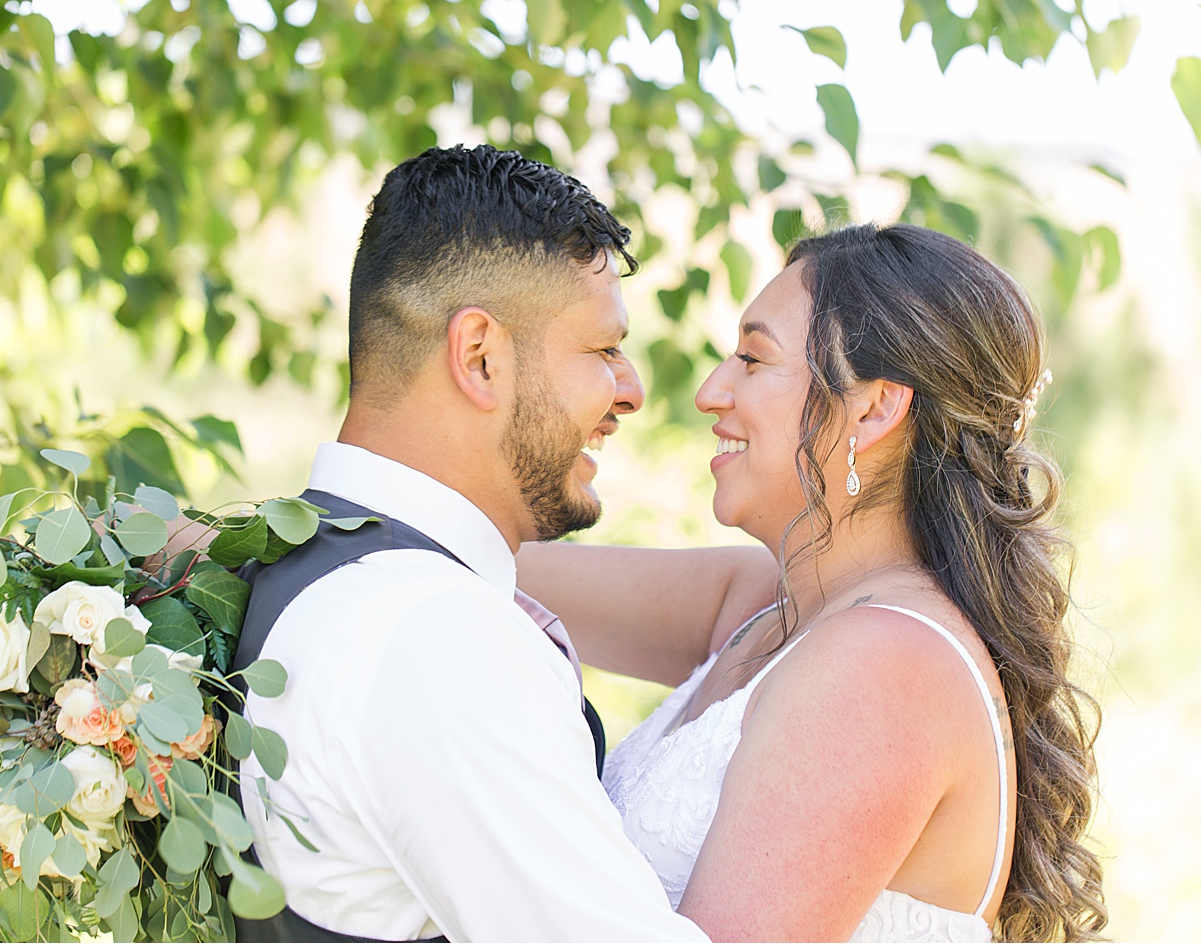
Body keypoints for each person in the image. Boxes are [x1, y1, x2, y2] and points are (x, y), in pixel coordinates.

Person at [517, 222, 1107, 941]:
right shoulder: (770, 604)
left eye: (752, 359)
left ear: (876, 407)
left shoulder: (886, 663)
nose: (711, 392)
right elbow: (485, 560)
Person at [231, 144, 707, 941]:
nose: (632, 389)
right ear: (480, 356)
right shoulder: (438, 635)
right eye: (602, 349)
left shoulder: (288, 571)